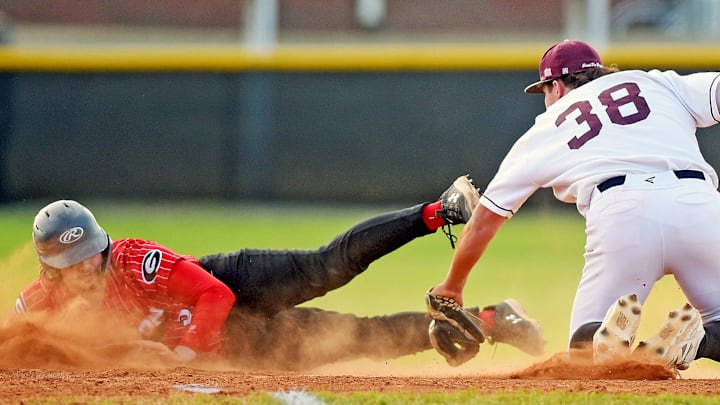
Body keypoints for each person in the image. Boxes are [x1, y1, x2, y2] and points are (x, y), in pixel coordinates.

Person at [11, 176, 543, 371]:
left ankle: (436, 211)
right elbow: (14, 337)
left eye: (90, 256)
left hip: (233, 287)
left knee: (326, 267)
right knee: (359, 336)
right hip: (243, 345)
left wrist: (186, 353)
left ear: (102, 247)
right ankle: (495, 319)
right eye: (70, 264)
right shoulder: (43, 301)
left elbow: (213, 295)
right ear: (51, 271)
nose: (85, 269)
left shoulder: (134, 260)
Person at [428, 39, 720, 371]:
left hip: (623, 214)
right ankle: (698, 341)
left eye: (545, 92)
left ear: (557, 86)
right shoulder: (655, 82)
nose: (546, 102)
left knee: (583, 351)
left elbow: (485, 219)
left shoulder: (547, 128)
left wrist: (452, 284)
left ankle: (599, 340)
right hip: (700, 206)